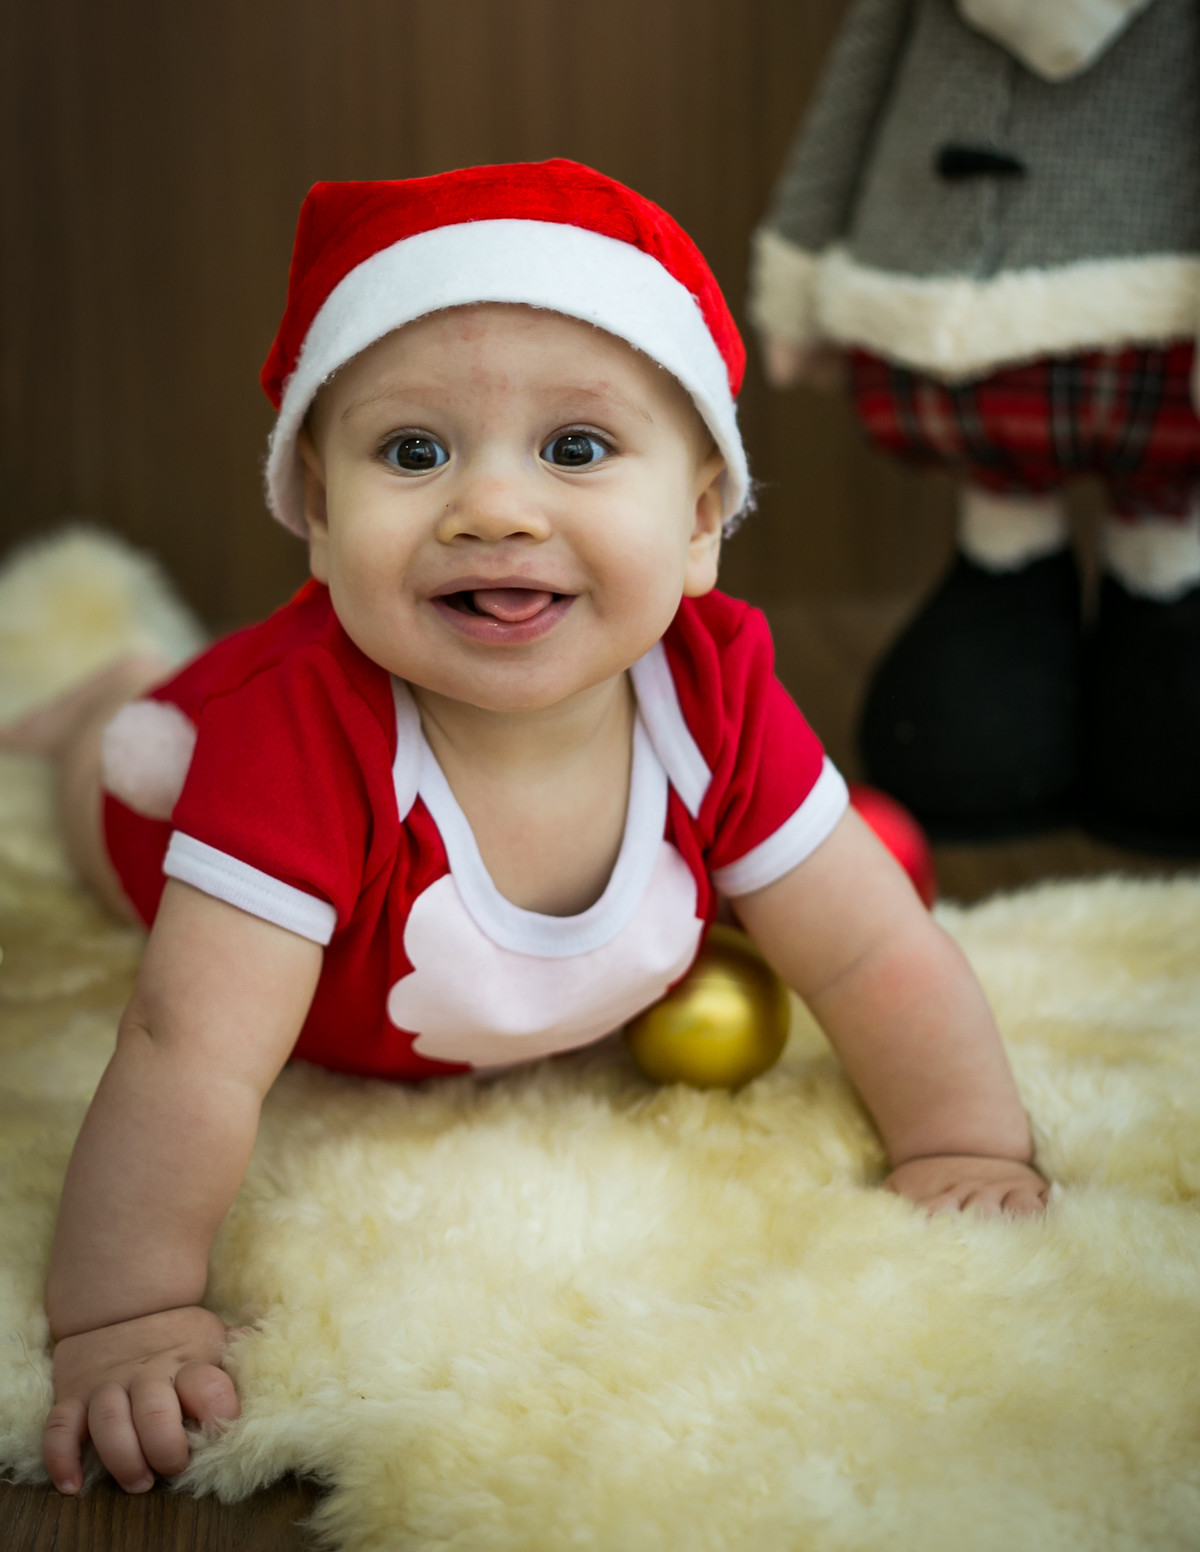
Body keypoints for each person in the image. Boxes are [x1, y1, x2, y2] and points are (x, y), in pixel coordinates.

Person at [6, 160, 1050, 1500]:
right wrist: (126, 1314)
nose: (494, 508)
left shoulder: (715, 695)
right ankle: (102, 697)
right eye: (414, 452)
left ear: (699, 524)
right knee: (124, 772)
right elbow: (187, 1049)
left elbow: (872, 953)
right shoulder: (297, 737)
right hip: (171, 808)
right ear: (318, 515)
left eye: (575, 448)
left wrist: (963, 1142)